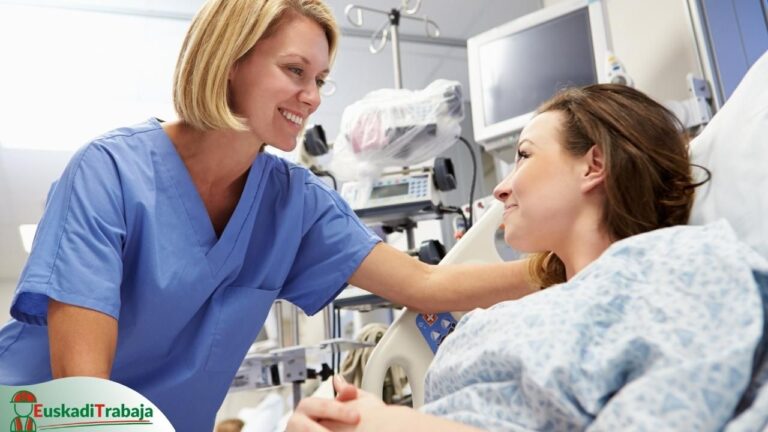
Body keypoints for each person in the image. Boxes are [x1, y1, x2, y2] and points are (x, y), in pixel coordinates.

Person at [0, 1, 534, 431]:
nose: (312, 97)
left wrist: (563, 267)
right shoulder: (109, 172)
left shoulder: (294, 202)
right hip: (43, 418)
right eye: (295, 70)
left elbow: (425, 285)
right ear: (231, 62)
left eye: (321, 79)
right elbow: (83, 395)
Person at [286, 85, 767, 431]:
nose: (500, 186)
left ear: (594, 165)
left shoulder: (681, 269)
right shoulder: (492, 322)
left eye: (524, 155)